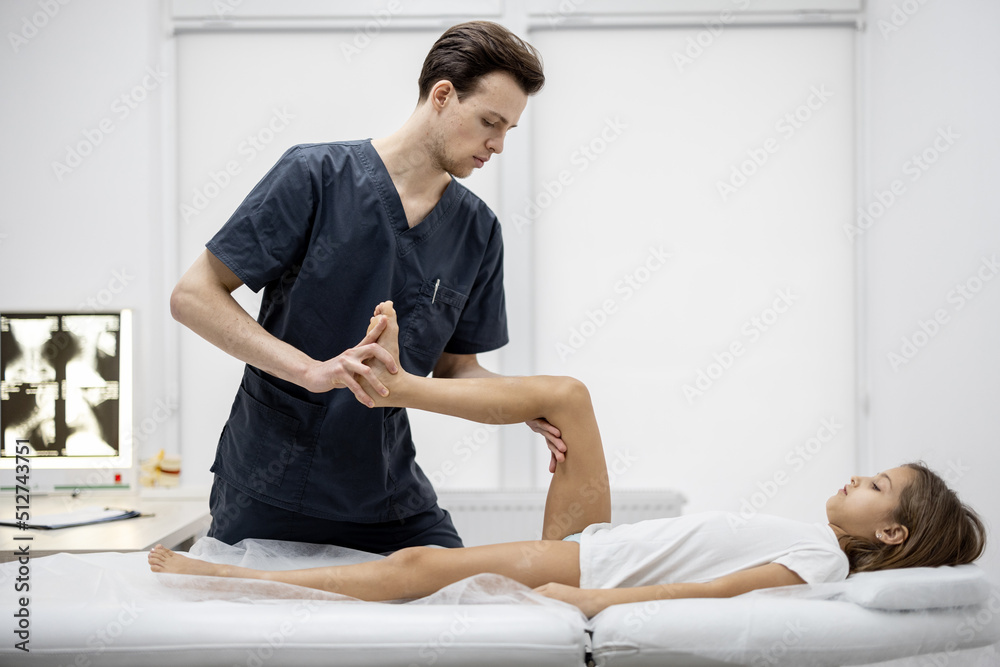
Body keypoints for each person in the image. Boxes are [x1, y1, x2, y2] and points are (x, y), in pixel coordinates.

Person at [149, 302, 986, 618]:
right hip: (608, 543)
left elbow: (710, 593)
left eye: (873, 484)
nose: (854, 476)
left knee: (417, 564)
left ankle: (227, 577)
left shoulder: (820, 560)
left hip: (601, 562)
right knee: (571, 398)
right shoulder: (817, 547)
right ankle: (397, 387)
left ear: (893, 530)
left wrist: (588, 597)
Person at [170, 22, 557, 551]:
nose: (499, 144)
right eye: (491, 122)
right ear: (442, 95)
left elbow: (457, 369)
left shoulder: (477, 230)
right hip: (268, 485)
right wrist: (310, 371)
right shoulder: (316, 175)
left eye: (510, 129)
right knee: (251, 623)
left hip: (387, 493)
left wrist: (523, 403)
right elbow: (194, 295)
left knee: (468, 603)